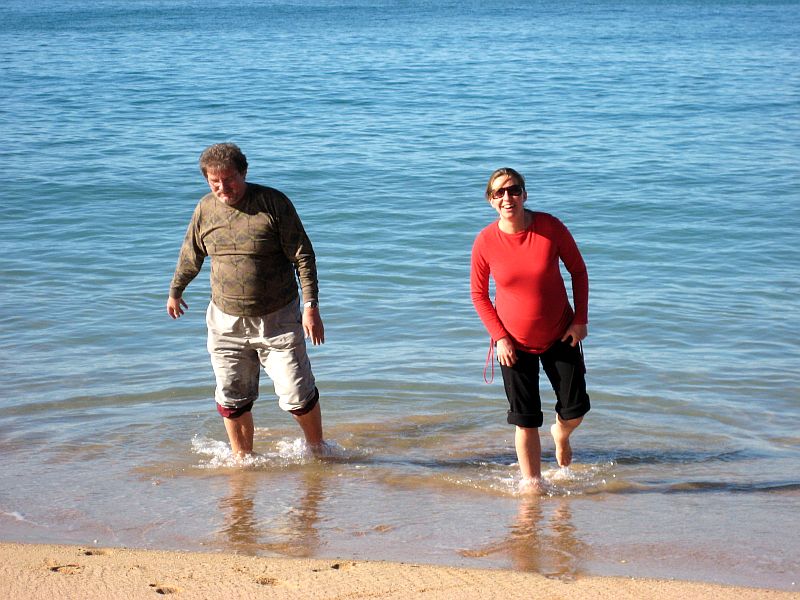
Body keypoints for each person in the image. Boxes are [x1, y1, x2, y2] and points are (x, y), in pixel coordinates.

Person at [167, 143, 325, 458]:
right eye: (215, 183)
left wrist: (311, 307)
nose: (223, 188)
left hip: (278, 317)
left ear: (244, 173)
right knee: (232, 398)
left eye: (230, 180)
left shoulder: (273, 203)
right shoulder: (205, 209)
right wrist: (176, 291)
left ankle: (318, 452)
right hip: (225, 321)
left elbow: (303, 256)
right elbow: (191, 253)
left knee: (297, 394)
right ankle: (243, 462)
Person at [470, 167, 590, 493]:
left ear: (525, 194)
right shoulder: (485, 241)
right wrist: (500, 338)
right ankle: (533, 486)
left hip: (560, 333)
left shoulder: (549, 227)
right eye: (499, 193)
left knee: (576, 411)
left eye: (513, 190)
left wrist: (580, 320)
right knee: (525, 420)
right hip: (513, 344)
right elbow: (478, 295)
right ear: (491, 201)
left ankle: (561, 435)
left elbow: (578, 271)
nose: (507, 197)